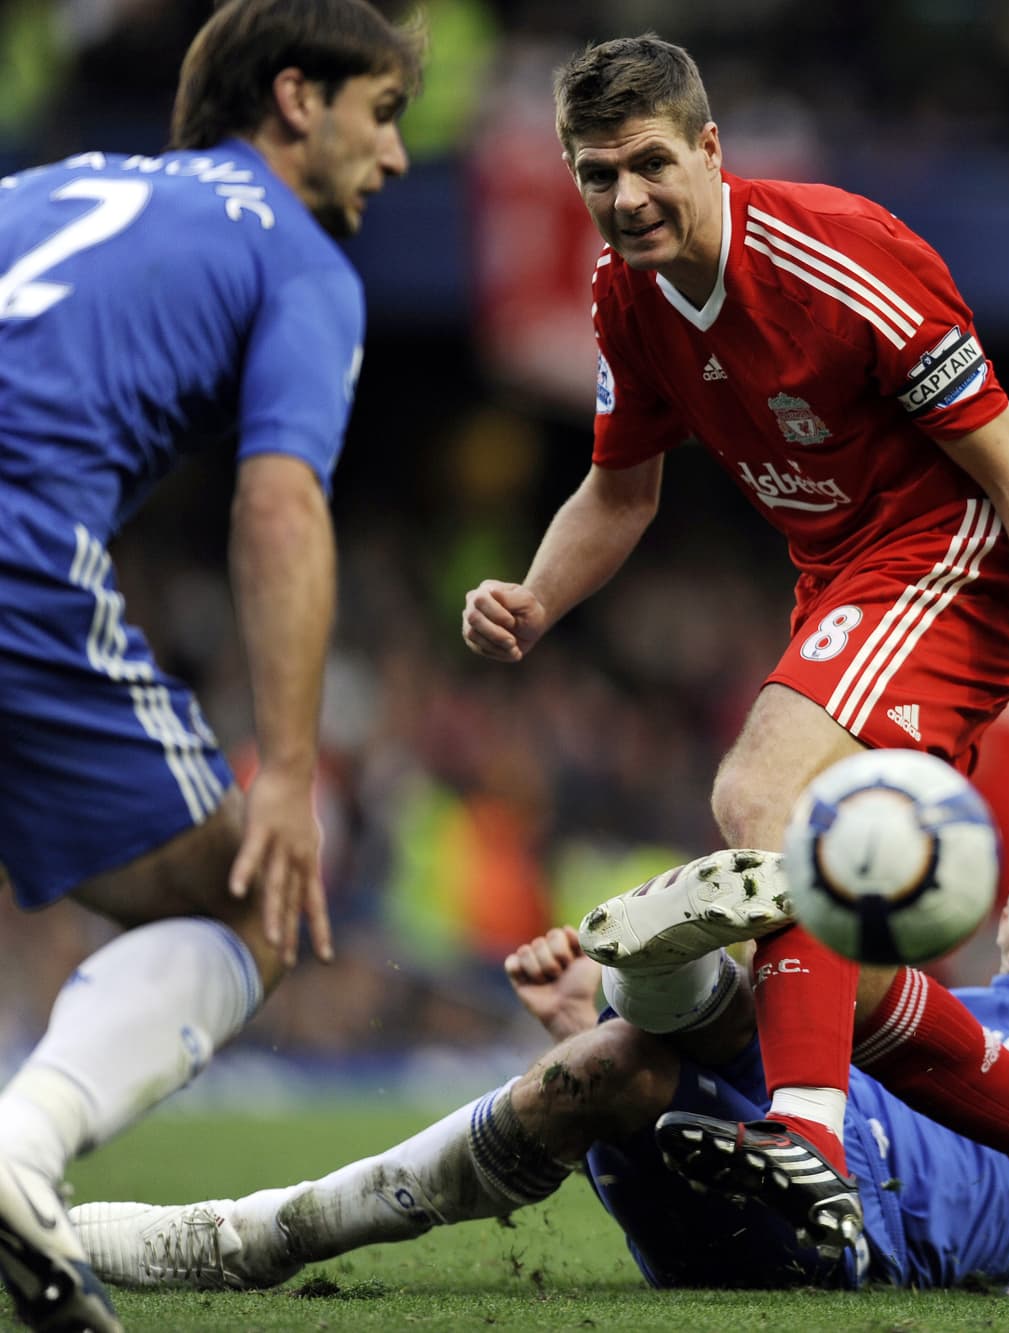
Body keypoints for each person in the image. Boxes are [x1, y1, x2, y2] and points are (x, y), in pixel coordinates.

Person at [460, 33, 1009, 1260]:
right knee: (828, 941)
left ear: (711, 150)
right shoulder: (626, 293)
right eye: (594, 175)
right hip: (841, 578)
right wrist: (535, 595)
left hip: (951, 558)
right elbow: (618, 494)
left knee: (756, 795)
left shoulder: (841, 256)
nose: (623, 199)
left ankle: (810, 1142)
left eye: (648, 164)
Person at [66, 816, 1009, 1295]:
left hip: (867, 1234)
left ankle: (692, 1004)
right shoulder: (938, 998)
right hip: (778, 1130)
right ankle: (253, 1237)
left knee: (808, 914)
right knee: (609, 1059)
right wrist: (577, 1006)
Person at [0, 3, 422, 1330]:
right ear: (295, 99)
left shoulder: (49, 180)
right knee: (251, 899)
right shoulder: (297, 256)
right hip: (12, 535)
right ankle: (16, 1160)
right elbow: (280, 502)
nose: (398, 156)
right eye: (385, 112)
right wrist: (289, 771)